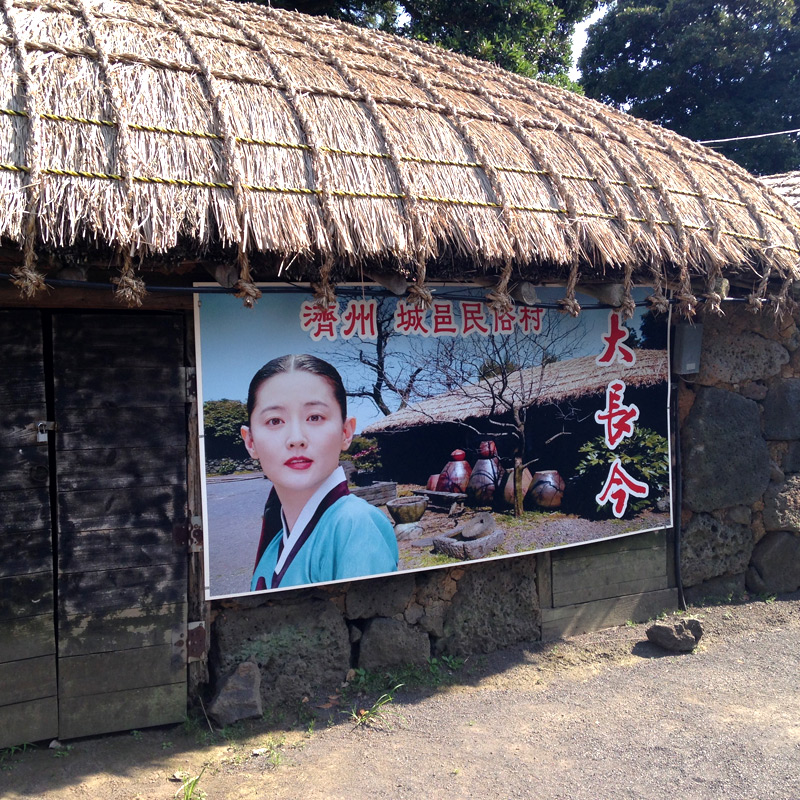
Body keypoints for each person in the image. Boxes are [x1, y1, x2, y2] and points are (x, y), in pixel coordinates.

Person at [240, 354, 398, 591]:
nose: (296, 439)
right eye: (274, 421)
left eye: (315, 417)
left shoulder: (353, 525)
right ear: (250, 441)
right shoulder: (276, 544)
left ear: (346, 432)